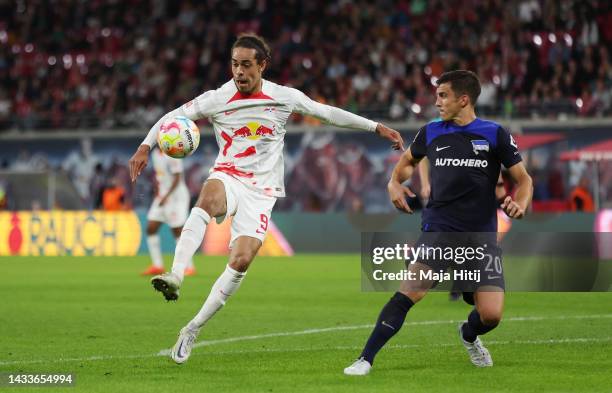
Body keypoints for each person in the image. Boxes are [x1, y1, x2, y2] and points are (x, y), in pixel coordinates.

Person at [128, 33, 404, 364]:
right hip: (228, 174)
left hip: (262, 191)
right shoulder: (217, 98)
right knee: (208, 197)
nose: (239, 72)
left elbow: (328, 113)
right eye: (234, 64)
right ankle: (175, 274)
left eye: (246, 65)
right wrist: (146, 145)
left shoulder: (283, 97)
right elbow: (171, 117)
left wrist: (377, 127)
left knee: (241, 260)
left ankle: (192, 329)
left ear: (262, 65)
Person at [344, 70, 533, 375]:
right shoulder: (431, 132)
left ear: (464, 99)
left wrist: (520, 203)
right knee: (411, 291)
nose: (437, 102)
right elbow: (405, 164)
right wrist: (394, 184)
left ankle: (468, 335)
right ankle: (365, 359)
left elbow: (524, 180)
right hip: (440, 228)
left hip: (480, 236)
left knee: (491, 315)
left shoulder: (494, 133)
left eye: (443, 96)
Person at [141, 148, 196, 276]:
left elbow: (178, 178)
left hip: (176, 197)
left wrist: (166, 196)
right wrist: (159, 192)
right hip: (162, 196)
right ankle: (157, 265)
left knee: (177, 231)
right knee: (151, 228)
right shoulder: (155, 154)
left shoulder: (173, 154)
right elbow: (160, 175)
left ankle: (189, 267)